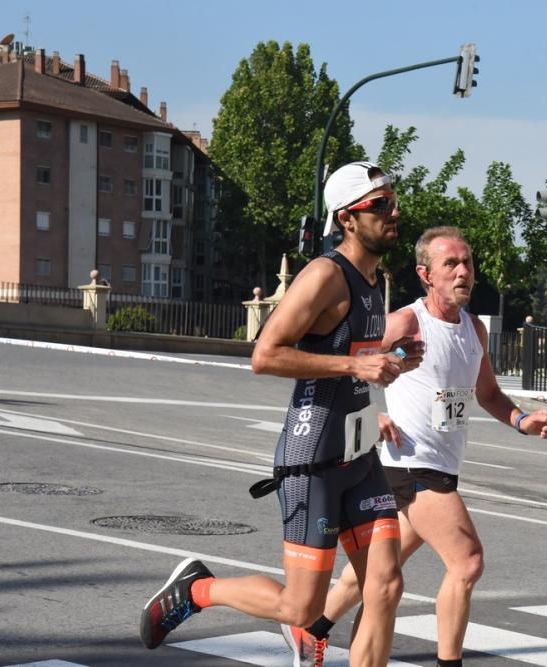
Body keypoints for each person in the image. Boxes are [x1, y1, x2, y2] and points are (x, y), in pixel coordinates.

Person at [139, 161, 423, 667]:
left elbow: (350, 354)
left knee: (384, 585)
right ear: (348, 218)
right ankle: (197, 589)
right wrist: (357, 364)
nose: (393, 212)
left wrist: (392, 358)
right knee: (300, 606)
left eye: (393, 201)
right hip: (311, 458)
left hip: (358, 456)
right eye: (380, 205)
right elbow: (265, 354)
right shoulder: (324, 275)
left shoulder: (373, 278)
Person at [285, 226, 547, 667]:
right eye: (450, 264)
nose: (463, 271)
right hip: (408, 466)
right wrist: (374, 412)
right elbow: (351, 367)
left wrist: (524, 421)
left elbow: (487, 393)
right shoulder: (407, 322)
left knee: (376, 573)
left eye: (467, 262)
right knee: (468, 561)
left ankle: (311, 632)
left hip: (436, 466)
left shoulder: (473, 329)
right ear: (425, 274)